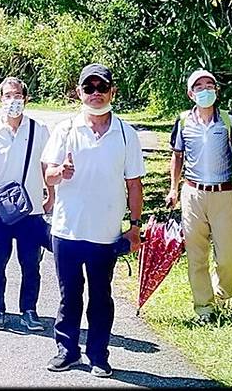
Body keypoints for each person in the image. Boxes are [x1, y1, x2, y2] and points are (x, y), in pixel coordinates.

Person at [41, 63, 145, 377]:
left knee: (101, 296)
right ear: (79, 92)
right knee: (69, 294)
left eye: (102, 87)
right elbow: (48, 173)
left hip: (105, 231)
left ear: (113, 91)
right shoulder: (65, 130)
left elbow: (134, 184)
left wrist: (136, 227)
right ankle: (67, 351)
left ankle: (99, 355)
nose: (96, 93)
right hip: (67, 230)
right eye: (89, 88)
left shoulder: (126, 134)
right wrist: (61, 173)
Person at [165, 69, 232, 325]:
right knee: (196, 254)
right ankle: (204, 308)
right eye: (199, 86)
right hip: (192, 194)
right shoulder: (183, 122)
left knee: (229, 256)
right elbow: (177, 155)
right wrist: (173, 189)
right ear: (191, 94)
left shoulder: (228, 121)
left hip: (223, 194)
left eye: (209, 85)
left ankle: (221, 295)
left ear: (216, 91)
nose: (205, 89)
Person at [0, 77, 54, 331]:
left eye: (17, 95)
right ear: (0, 99)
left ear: (25, 99)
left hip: (30, 209)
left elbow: (47, 164)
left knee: (31, 264)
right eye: (7, 96)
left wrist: (51, 194)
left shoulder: (38, 129)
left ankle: (29, 310)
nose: (12, 100)